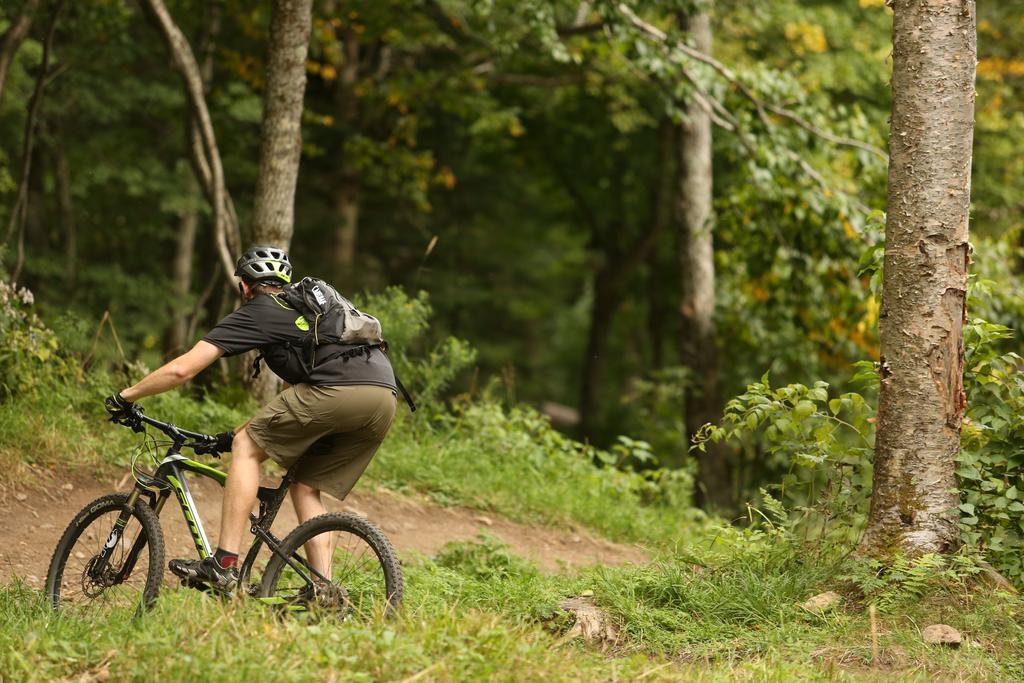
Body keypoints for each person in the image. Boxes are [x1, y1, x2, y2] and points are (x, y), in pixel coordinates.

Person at [103, 246, 398, 591]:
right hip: (382, 397)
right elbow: (296, 401)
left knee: (246, 447)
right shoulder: (306, 314)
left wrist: (125, 397)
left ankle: (223, 563)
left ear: (245, 286)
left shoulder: (260, 310)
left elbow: (182, 369)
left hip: (338, 391)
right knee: (305, 486)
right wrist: (230, 433)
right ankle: (324, 590)